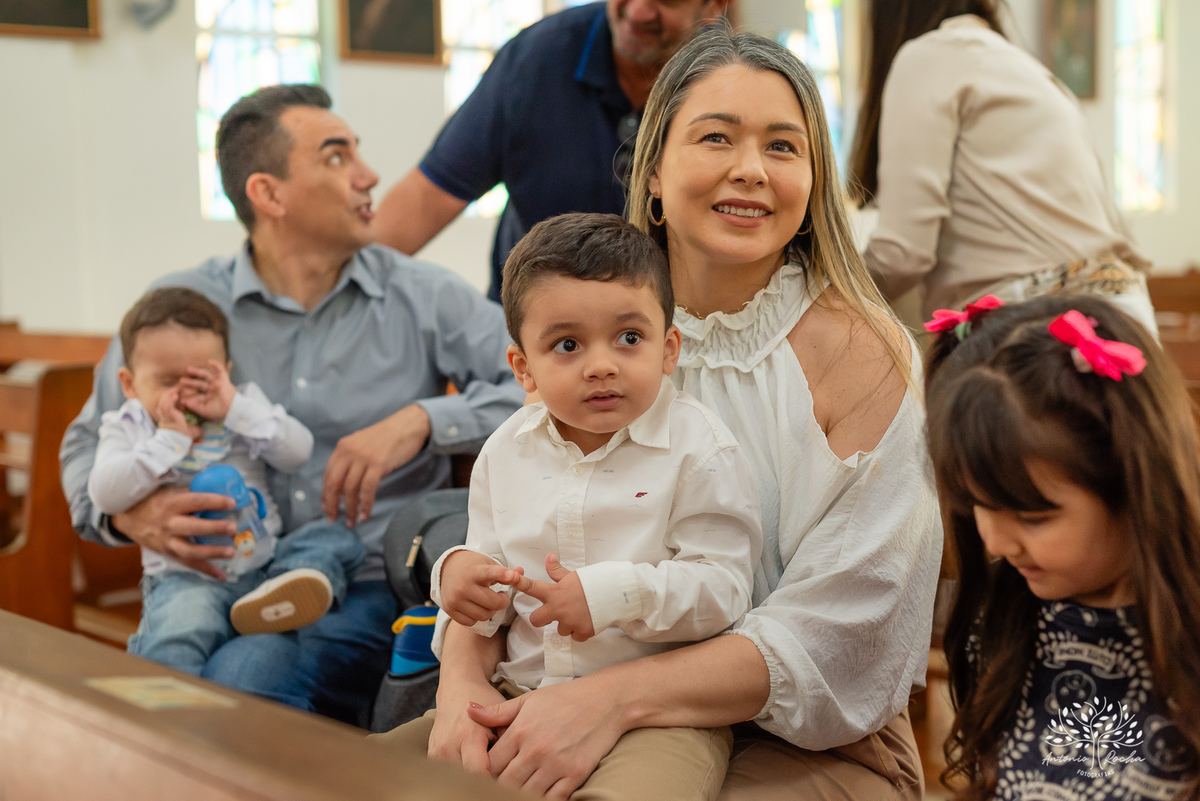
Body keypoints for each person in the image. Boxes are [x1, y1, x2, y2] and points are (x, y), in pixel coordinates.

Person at [382, 28, 943, 799]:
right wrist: (458, 691)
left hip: (805, 731)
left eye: (784, 148)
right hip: (549, 689)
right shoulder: (586, 340)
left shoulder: (864, 351)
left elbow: (849, 626)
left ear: (813, 183)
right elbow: (505, 546)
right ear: (651, 169)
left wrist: (608, 702)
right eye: (717, 137)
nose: (750, 169)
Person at [60, 84, 525, 724]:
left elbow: (542, 385)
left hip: (363, 580)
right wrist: (129, 518)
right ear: (268, 194)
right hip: (212, 575)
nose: (369, 176)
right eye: (337, 157)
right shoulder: (179, 309)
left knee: (238, 684)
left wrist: (422, 420)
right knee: (175, 679)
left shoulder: (420, 294)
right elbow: (89, 439)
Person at [380, 212, 764, 800]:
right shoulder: (505, 451)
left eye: (629, 338)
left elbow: (725, 589)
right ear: (523, 369)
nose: (602, 363)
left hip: (658, 719)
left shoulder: (701, 451)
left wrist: (611, 595)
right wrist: (457, 575)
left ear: (669, 348)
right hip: (516, 695)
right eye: (567, 344)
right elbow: (491, 591)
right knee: (356, 773)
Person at [922, 294, 1200, 800]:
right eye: (977, 505)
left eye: (1032, 516)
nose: (996, 542)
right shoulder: (1006, 621)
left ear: (1135, 485)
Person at [371, 0, 729, 302]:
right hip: (534, 326)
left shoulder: (728, 81)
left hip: (672, 329)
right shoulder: (536, 59)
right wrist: (342, 282)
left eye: (666, 0)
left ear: (712, 7)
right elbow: (429, 195)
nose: (637, 11)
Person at [88, 287, 366, 673]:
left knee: (338, 538)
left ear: (225, 371)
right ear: (130, 384)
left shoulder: (242, 405)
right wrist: (169, 440)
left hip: (268, 561)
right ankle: (160, 721)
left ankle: (281, 593)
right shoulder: (129, 425)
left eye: (201, 379)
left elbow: (299, 450)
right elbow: (104, 494)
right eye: (168, 381)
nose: (186, 395)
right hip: (188, 575)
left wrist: (234, 407)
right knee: (179, 631)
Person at [848, 0, 1158, 335]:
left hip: (1036, 330)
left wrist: (820, 293)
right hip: (1125, 322)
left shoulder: (929, 55)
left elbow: (902, 258)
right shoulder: (1029, 68)